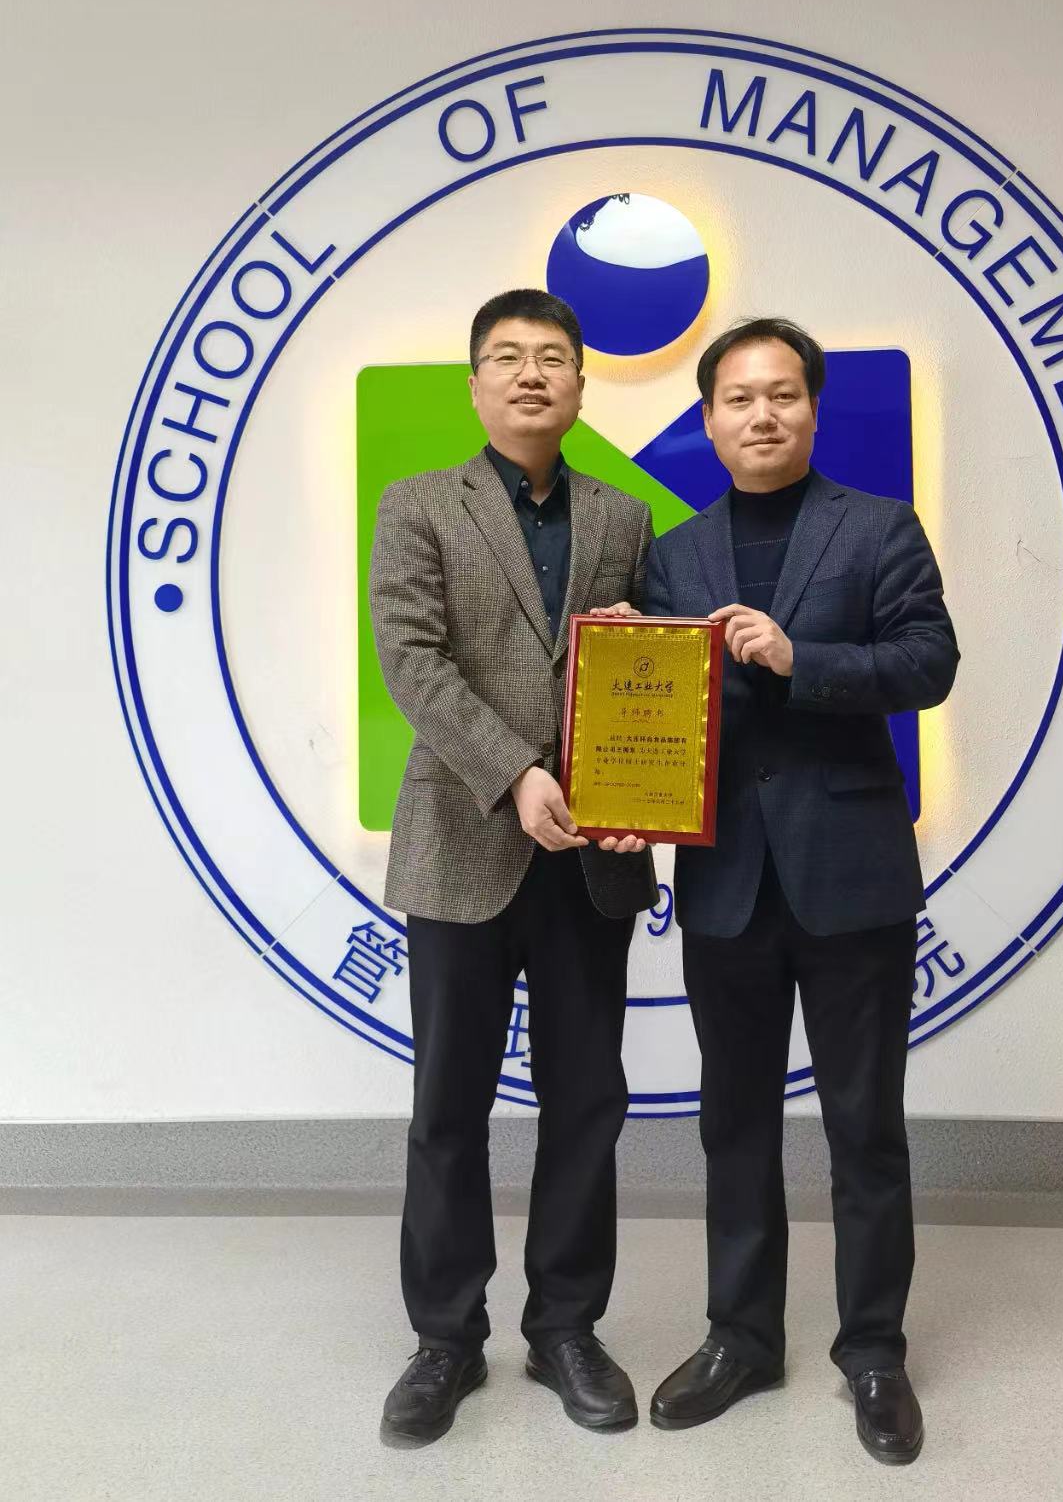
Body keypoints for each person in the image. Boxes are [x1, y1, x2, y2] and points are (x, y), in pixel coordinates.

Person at [608, 316, 958, 1464]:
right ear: (707, 419)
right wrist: (624, 683)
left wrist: (797, 657)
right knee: (733, 1122)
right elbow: (663, 708)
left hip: (850, 874)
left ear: (812, 407)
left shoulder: (879, 527)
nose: (761, 414)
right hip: (724, 879)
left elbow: (927, 662)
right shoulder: (674, 552)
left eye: (782, 394)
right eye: (738, 398)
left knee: (864, 1126)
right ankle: (742, 1335)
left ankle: (873, 1351)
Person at [369, 288, 657, 1446]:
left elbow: (649, 673)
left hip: (590, 854)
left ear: (581, 383)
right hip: (462, 839)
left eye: (552, 357)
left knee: (585, 1098)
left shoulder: (624, 516)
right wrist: (514, 772)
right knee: (449, 1101)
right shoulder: (417, 505)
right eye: (507, 356)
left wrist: (640, 787)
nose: (531, 373)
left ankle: (565, 1326)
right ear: (475, 384)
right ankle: (445, 1336)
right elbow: (412, 659)